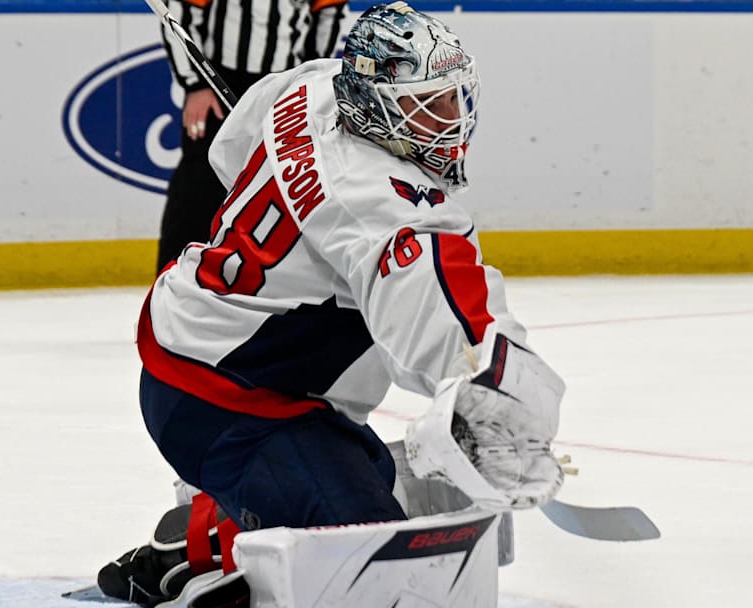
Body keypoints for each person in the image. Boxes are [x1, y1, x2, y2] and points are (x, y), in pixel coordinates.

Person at [99, 3, 565, 605]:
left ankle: (203, 542)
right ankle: (231, 565)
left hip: (208, 353)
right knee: (368, 561)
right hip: (227, 398)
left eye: (453, 98)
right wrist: (499, 405)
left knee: (373, 477)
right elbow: (445, 321)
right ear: (377, 105)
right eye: (430, 105)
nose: (452, 121)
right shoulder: (383, 202)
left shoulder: (312, 87)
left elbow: (231, 151)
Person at [156, 0, 349, 273]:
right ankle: (172, 284)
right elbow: (181, 10)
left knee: (286, 185)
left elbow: (328, 11)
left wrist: (309, 79)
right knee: (198, 186)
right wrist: (195, 84)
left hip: (286, 82)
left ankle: (268, 284)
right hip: (218, 79)